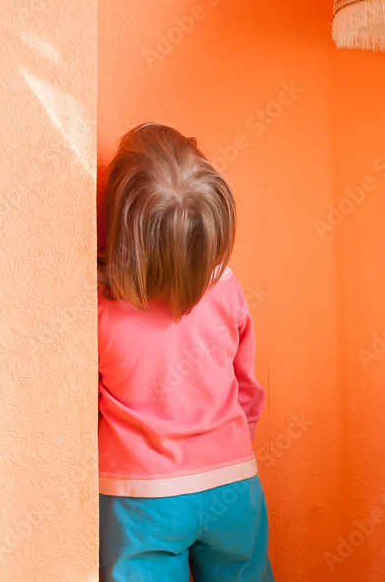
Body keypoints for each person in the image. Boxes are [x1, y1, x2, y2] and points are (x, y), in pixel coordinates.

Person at [97, 123, 273, 581]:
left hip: (140, 498)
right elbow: (249, 389)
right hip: (233, 484)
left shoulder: (99, 307)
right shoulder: (225, 285)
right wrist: (227, 448)